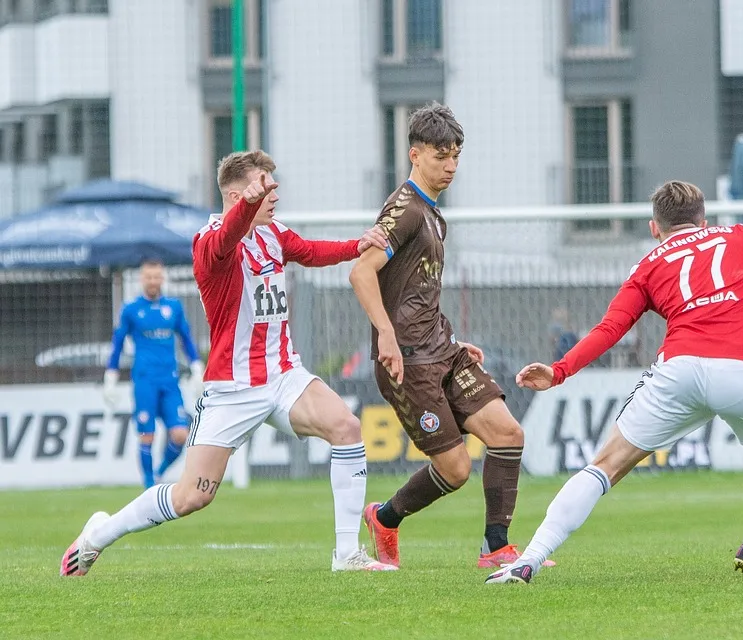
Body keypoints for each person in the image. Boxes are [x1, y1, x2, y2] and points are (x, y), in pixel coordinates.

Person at [61, 150, 396, 576]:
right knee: (192, 497)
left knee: (346, 427)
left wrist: (357, 245)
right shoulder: (209, 241)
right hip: (233, 389)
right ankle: (98, 535)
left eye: (272, 185)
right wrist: (247, 206)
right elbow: (227, 239)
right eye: (263, 187)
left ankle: (346, 554)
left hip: (284, 374)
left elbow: (310, 251)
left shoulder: (274, 234)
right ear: (236, 195)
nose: (273, 194)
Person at [486, 180, 743, 584]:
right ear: (703, 219)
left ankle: (528, 560)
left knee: (604, 466)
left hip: (677, 373)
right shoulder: (737, 236)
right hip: (740, 369)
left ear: (655, 228)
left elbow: (610, 328)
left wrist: (560, 369)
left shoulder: (648, 266)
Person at [349, 102, 538, 569]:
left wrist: (451, 340)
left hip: (441, 350)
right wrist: (387, 337)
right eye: (440, 156)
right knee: (455, 470)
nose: (450, 166)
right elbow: (360, 272)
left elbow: (418, 289)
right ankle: (385, 518)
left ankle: (497, 547)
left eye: (455, 155)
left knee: (508, 433)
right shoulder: (406, 209)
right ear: (415, 155)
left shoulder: (434, 215)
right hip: (408, 362)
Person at [103, 259, 204, 489]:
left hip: (170, 382)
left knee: (180, 435)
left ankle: (158, 473)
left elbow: (186, 339)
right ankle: (149, 486)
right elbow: (117, 344)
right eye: (149, 277)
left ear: (162, 278)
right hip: (144, 382)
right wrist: (110, 377)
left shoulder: (173, 307)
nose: (153, 281)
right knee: (147, 436)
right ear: (142, 279)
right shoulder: (131, 310)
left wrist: (197, 367)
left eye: (157, 276)